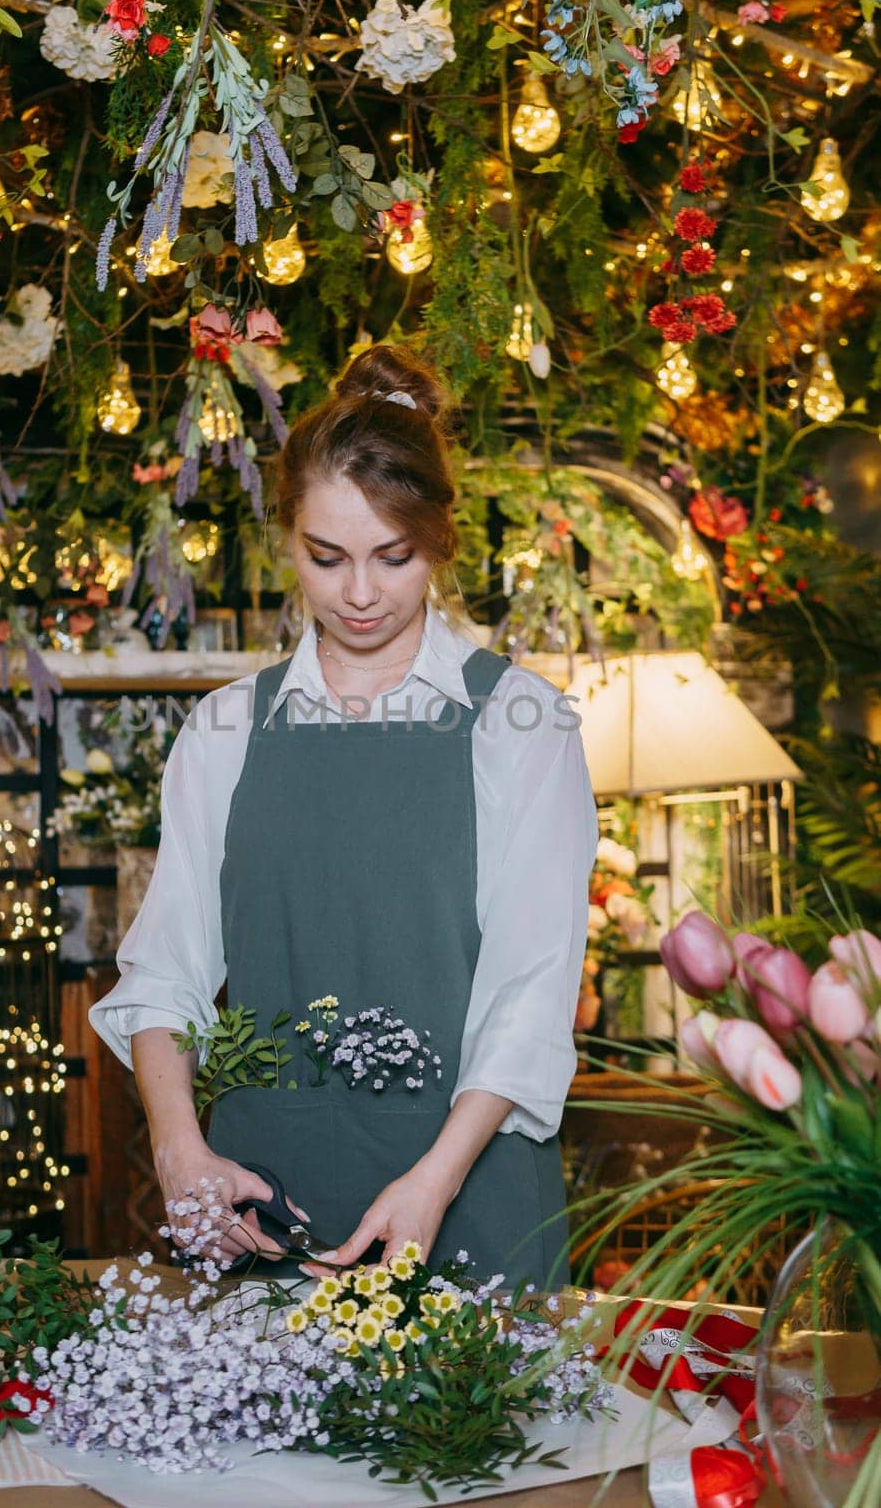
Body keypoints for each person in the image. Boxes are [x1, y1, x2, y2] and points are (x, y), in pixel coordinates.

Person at [89, 344, 598, 1285]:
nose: (359, 593)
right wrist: (179, 1151)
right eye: (327, 558)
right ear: (289, 541)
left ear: (438, 542)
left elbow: (532, 997)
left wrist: (435, 1184)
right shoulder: (227, 729)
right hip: (265, 1198)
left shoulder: (522, 724)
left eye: (391, 557)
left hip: (468, 1193)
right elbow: (164, 972)